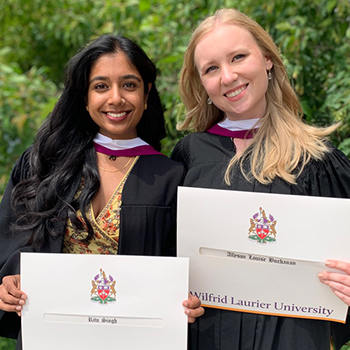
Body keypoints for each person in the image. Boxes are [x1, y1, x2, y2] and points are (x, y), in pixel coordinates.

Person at [0, 34, 203, 348]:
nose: (116, 98)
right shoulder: (45, 163)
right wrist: (10, 280)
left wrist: (189, 300)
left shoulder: (170, 177)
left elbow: (186, 270)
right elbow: (12, 238)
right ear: (84, 96)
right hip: (52, 337)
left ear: (147, 94)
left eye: (129, 85)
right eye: (101, 86)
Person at [171, 8, 350, 350]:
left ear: (267, 59)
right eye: (211, 69)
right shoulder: (189, 156)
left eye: (238, 57)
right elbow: (165, 261)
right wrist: (176, 297)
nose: (228, 76)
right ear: (202, 84)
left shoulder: (315, 157)